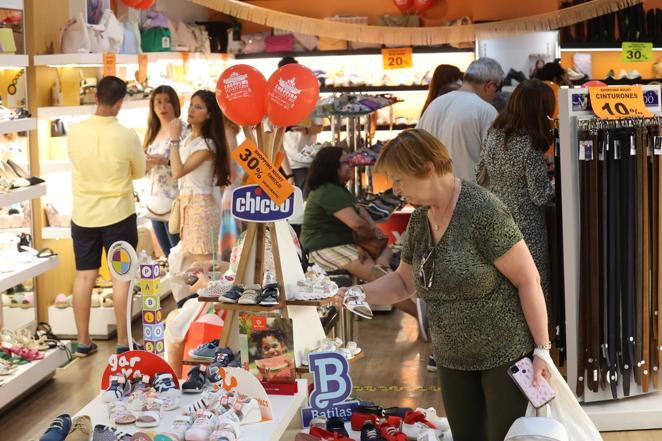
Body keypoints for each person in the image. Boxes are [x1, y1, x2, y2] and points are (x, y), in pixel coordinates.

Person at [339, 128, 551, 441]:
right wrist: (356, 293)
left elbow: (528, 279)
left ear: (425, 169)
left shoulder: (483, 211)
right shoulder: (421, 220)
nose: (396, 189)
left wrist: (542, 350)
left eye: (399, 180)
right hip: (452, 358)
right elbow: (402, 283)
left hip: (504, 355)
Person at [68, 76, 146, 357]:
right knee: (120, 277)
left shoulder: (75, 132)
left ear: (95, 96)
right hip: (118, 215)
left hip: (83, 215)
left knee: (84, 277)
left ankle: (83, 340)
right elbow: (139, 171)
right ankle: (124, 342)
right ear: (121, 102)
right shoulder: (126, 134)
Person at [300, 147, 420, 321]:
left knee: (384, 259)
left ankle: (383, 266)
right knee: (381, 279)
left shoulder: (337, 190)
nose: (351, 165)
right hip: (326, 248)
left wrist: (372, 231)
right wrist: (372, 233)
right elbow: (355, 223)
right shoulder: (329, 191)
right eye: (346, 162)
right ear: (333, 166)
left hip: (337, 245)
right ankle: (422, 319)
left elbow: (359, 212)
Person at [477, 79, 556, 305]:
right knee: (532, 284)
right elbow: (539, 194)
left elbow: (480, 174)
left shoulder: (494, 134)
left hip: (496, 219)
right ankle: (538, 337)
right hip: (527, 225)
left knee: (505, 286)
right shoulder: (529, 144)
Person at [417, 57, 503, 182]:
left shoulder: (434, 105)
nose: (496, 94)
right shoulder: (486, 110)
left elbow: (415, 149)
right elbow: (496, 162)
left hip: (433, 193)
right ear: (489, 85)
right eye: (497, 88)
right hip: (469, 195)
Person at [169, 90, 231, 263]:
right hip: (188, 205)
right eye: (191, 105)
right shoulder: (189, 138)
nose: (192, 110)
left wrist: (174, 140)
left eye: (198, 107)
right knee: (192, 263)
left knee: (202, 263)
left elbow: (177, 172)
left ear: (209, 114)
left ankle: (208, 291)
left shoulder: (207, 145)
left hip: (201, 207)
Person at [143, 85, 182, 257]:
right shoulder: (153, 132)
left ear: (175, 104)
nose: (162, 107)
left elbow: (186, 163)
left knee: (179, 254)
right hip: (154, 203)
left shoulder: (183, 129)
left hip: (175, 201)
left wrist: (164, 161)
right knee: (168, 255)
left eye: (167, 102)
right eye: (158, 102)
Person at [277, 56, 323, 196]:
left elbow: (319, 127)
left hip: (305, 160)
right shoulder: (276, 100)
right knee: (286, 207)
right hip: (283, 163)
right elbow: (274, 138)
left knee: (303, 201)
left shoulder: (311, 97)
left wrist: (306, 129)